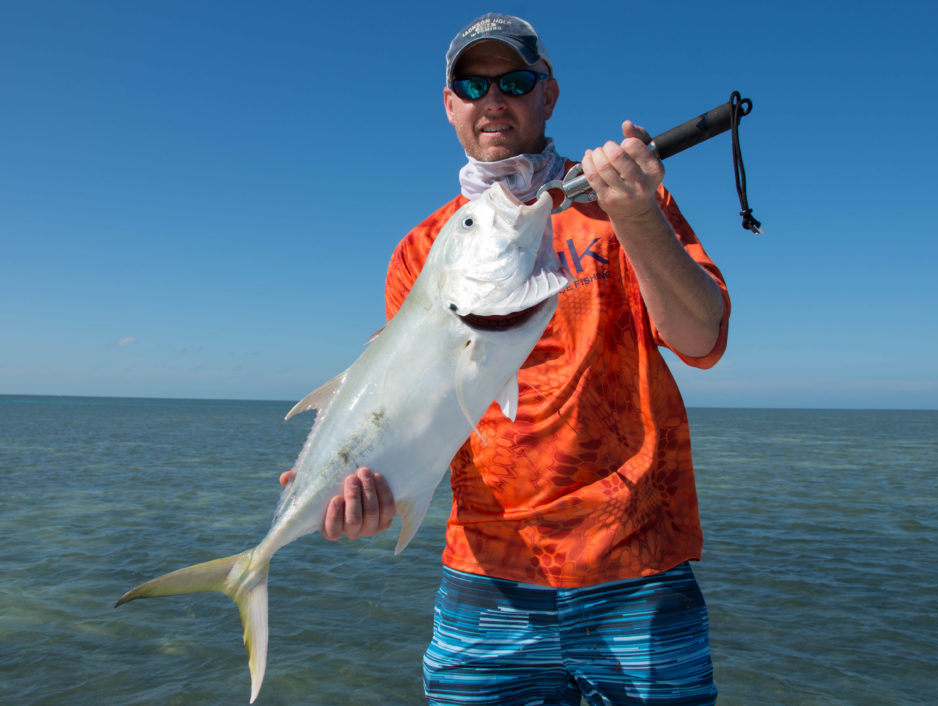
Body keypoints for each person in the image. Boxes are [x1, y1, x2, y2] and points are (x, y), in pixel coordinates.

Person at [283, 13, 728, 705]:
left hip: (640, 568)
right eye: (473, 83)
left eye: (515, 81)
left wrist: (639, 215)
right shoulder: (422, 249)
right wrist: (366, 489)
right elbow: (410, 399)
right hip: (486, 580)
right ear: (450, 105)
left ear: (548, 97)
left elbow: (702, 339)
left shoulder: (624, 201)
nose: (494, 99)